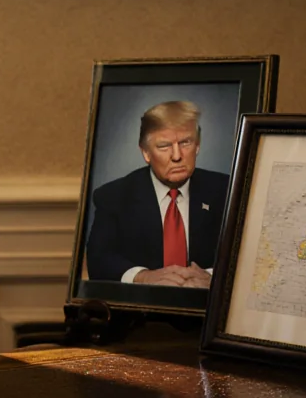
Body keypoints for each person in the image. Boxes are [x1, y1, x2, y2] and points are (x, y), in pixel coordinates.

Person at [85, 101, 229, 286]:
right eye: (164, 146)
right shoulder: (114, 196)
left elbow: (246, 253)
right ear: (146, 153)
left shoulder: (227, 189)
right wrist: (143, 277)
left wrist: (212, 277)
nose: (177, 156)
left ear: (198, 146)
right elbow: (99, 260)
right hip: (143, 303)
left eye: (185, 142)